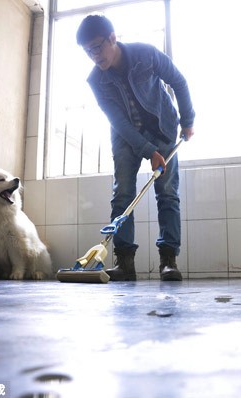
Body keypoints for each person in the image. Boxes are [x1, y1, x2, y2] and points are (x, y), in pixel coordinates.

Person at [76, 15, 195, 281]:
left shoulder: (146, 54)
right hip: (126, 136)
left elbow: (179, 81)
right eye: (87, 51)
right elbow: (117, 120)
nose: (94, 56)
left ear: (112, 38)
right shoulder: (96, 80)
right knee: (123, 195)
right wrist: (147, 151)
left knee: (167, 194)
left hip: (163, 127)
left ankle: (168, 261)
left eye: (97, 47)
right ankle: (124, 262)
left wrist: (187, 120)